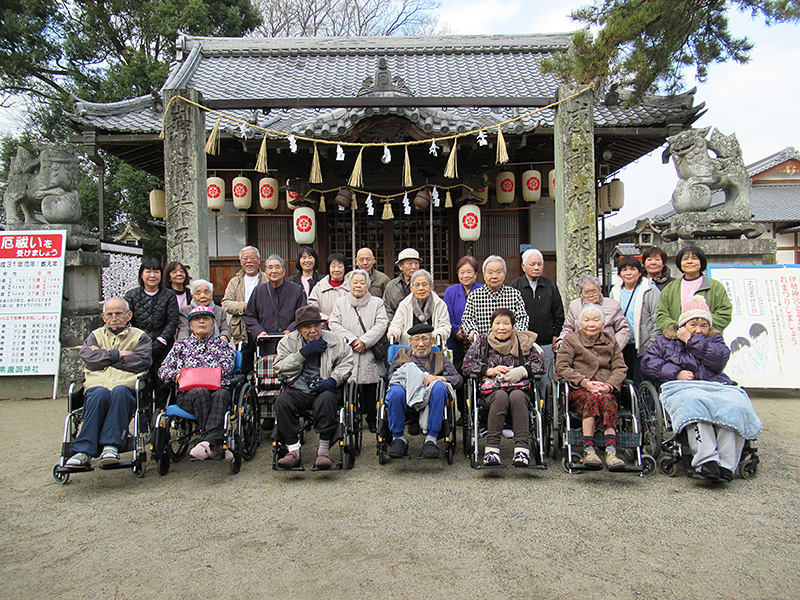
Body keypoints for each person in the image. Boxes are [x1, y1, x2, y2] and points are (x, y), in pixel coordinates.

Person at [641, 296, 762, 482]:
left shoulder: (715, 341)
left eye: (704, 325)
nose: (699, 329)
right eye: (693, 324)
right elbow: (648, 362)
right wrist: (676, 373)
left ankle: (727, 464)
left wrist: (691, 340)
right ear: (683, 323)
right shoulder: (666, 341)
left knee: (735, 405)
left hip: (715, 385)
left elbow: (719, 360)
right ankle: (706, 461)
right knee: (695, 405)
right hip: (684, 387)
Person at [65, 298, 152, 468]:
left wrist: (104, 356)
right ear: (103, 317)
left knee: (120, 392)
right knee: (99, 394)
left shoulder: (140, 336)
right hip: (98, 383)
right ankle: (83, 451)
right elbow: (89, 359)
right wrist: (119, 354)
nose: (114, 317)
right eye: (109, 314)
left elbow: (141, 361)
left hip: (126, 384)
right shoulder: (95, 336)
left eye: (119, 313)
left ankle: (110, 446)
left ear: (129, 315)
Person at [273, 305, 354, 470]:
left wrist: (333, 380)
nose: (313, 330)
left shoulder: (335, 340)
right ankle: (293, 450)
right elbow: (279, 367)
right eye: (307, 327)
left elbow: (347, 362)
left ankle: (323, 451)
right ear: (299, 329)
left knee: (327, 399)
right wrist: (302, 354)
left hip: (325, 388)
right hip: (299, 390)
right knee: (281, 401)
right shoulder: (288, 342)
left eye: (316, 326)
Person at [462, 308, 545, 467]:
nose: (501, 327)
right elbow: (467, 365)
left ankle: (522, 449)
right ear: (491, 325)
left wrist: (521, 371)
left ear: (513, 326)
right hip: (492, 390)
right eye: (497, 323)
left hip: (519, 388)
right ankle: (492, 449)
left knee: (517, 396)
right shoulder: (482, 342)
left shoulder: (523, 341)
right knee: (500, 396)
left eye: (506, 323)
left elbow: (540, 364)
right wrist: (488, 370)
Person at [555, 303, 628, 470]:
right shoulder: (572, 340)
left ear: (603, 323)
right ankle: (589, 450)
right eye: (587, 320)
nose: (591, 324)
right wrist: (585, 382)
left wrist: (609, 386)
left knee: (608, 399)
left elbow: (620, 367)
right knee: (592, 398)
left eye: (596, 320)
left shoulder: (610, 340)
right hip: (579, 389)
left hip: (604, 387)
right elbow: (562, 367)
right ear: (580, 323)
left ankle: (611, 451)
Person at [158, 305, 237, 461]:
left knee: (221, 393)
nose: (201, 321)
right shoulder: (180, 346)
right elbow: (162, 370)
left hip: (218, 390)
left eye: (206, 318)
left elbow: (227, 368)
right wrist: (176, 374)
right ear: (190, 325)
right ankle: (215, 444)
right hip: (189, 395)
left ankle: (206, 443)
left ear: (213, 323)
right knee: (200, 392)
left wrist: (193, 371)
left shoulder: (223, 346)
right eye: (196, 319)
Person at [384, 323, 462, 459]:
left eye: (425, 339)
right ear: (410, 342)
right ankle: (398, 438)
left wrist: (438, 377)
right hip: (406, 394)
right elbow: (391, 377)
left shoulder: (440, 358)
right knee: (395, 391)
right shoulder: (401, 355)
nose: (421, 344)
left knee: (439, 386)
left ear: (432, 341)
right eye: (417, 339)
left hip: (430, 396)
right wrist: (414, 379)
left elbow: (458, 379)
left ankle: (431, 438)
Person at [329, 269, 389, 433]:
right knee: (348, 387)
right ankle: (351, 420)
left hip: (369, 352)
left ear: (368, 285)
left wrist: (364, 341)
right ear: (349, 285)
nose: (358, 285)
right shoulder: (340, 303)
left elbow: (382, 324)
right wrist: (352, 340)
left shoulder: (377, 302)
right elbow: (333, 323)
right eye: (355, 282)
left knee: (371, 391)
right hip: (348, 352)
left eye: (362, 282)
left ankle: (372, 420)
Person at [124, 256, 180, 409]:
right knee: (142, 388)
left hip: (163, 347)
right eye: (148, 271)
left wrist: (161, 340)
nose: (152, 275)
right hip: (139, 348)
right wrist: (140, 342)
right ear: (142, 274)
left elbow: (173, 321)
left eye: (156, 271)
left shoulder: (169, 295)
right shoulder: (131, 296)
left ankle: (162, 426)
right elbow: (127, 321)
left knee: (163, 387)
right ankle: (143, 427)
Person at [509, 248, 564, 399]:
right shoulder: (515, 286)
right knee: (524, 378)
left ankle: (546, 412)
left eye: (539, 264)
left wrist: (556, 334)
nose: (536, 267)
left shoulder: (550, 285)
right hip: (522, 343)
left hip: (546, 341)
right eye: (532, 264)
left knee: (545, 379)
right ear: (523, 266)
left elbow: (559, 313)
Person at [609, 256, 660, 386]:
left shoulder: (649, 290)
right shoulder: (615, 291)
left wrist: (651, 344)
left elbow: (656, 318)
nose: (628, 273)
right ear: (619, 273)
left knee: (641, 381)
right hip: (622, 345)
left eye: (632, 269)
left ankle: (644, 406)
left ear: (639, 271)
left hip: (643, 345)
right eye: (624, 270)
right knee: (624, 380)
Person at [656, 245, 732, 333]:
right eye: (685, 259)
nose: (689, 262)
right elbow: (662, 314)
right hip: (677, 340)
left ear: (701, 262)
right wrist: (677, 328)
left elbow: (724, 313)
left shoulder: (715, 287)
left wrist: (702, 326)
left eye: (694, 258)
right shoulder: (670, 288)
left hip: (706, 340)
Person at [443, 255, 482, 423]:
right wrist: (454, 331)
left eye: (469, 272)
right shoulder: (451, 291)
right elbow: (447, 315)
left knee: (476, 375)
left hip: (476, 340)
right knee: (458, 375)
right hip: (456, 340)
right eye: (462, 272)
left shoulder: (482, 289)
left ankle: (478, 410)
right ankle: (463, 413)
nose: (465, 275)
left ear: (475, 274)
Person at [243, 254, 306, 355]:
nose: (274, 271)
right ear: (265, 272)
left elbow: (303, 314)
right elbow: (249, 315)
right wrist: (259, 331)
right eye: (270, 267)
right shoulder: (259, 291)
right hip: (266, 343)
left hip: (291, 341)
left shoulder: (296, 290)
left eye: (278, 267)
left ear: (284, 271)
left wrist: (291, 329)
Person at [222, 246, 269, 373]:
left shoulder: (267, 279)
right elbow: (226, 303)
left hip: (264, 327)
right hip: (242, 329)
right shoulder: (235, 281)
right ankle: (244, 389)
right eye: (245, 258)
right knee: (244, 365)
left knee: (265, 363)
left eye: (252, 258)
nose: (249, 261)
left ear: (259, 261)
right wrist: (245, 306)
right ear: (241, 261)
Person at [460, 255, 529, 341]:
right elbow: (467, 319)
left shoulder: (514, 294)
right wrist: (472, 332)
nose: (494, 276)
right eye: (490, 272)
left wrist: (515, 334)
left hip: (510, 345)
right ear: (484, 275)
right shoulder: (474, 296)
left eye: (498, 272)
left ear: (504, 274)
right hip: (483, 346)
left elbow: (523, 318)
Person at [556, 274, 630, 351]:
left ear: (600, 290)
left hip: (606, 350)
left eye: (594, 292)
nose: (591, 295)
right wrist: (562, 339)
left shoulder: (613, 306)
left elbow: (624, 329)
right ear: (580, 293)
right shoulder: (574, 305)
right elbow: (568, 327)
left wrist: (614, 347)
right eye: (586, 292)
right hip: (580, 350)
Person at [387, 269, 450, 346]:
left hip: (432, 346)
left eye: (424, 284)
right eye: (417, 285)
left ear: (431, 287)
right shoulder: (404, 304)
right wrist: (393, 332)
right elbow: (396, 324)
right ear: (411, 288)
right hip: (409, 347)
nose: (421, 288)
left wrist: (439, 334)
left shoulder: (440, 304)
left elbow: (445, 326)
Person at [176, 279, 232, 343]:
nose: (203, 296)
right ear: (193, 296)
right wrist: (186, 344)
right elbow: (184, 330)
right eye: (198, 293)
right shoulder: (185, 311)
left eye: (206, 293)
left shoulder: (220, 311)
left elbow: (225, 329)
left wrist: (223, 337)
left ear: (211, 296)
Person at [308, 252, 349, 320]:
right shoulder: (319, 287)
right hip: (324, 326)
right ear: (328, 268)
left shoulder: (352, 287)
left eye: (340, 266)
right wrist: (326, 318)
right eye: (333, 266)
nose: (336, 269)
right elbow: (312, 308)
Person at [383, 247, 421, 322]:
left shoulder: (424, 285)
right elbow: (387, 310)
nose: (414, 267)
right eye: (410, 263)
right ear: (400, 266)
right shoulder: (391, 286)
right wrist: (393, 326)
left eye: (416, 263)